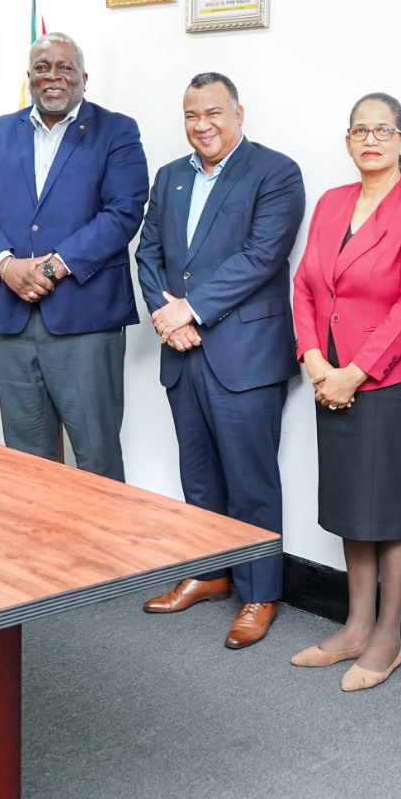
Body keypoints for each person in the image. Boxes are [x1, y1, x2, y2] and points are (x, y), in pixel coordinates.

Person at [136, 72, 305, 649]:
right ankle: (209, 571)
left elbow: (262, 256)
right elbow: (148, 252)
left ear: (239, 113)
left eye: (213, 113)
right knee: (199, 474)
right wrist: (166, 315)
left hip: (245, 354)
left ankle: (260, 593)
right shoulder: (170, 177)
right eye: (191, 115)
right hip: (182, 353)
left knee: (251, 481)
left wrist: (189, 311)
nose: (201, 125)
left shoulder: (275, 172)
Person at [288, 92, 401, 691]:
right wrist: (314, 360)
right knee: (354, 502)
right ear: (348, 142)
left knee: (392, 511)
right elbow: (303, 286)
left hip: (391, 382)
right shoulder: (331, 203)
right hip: (330, 375)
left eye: (383, 130)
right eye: (359, 131)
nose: (370, 139)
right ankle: (355, 624)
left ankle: (388, 636)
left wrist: (355, 371)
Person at [0, 33, 149, 477]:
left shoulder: (116, 130)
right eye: (42, 67)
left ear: (83, 78)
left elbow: (123, 212)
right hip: (12, 320)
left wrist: (52, 265)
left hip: (85, 319)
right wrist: (6, 266)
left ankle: (101, 548)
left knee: (95, 457)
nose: (53, 76)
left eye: (64, 67)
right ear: (29, 78)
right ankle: (37, 547)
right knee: (26, 460)